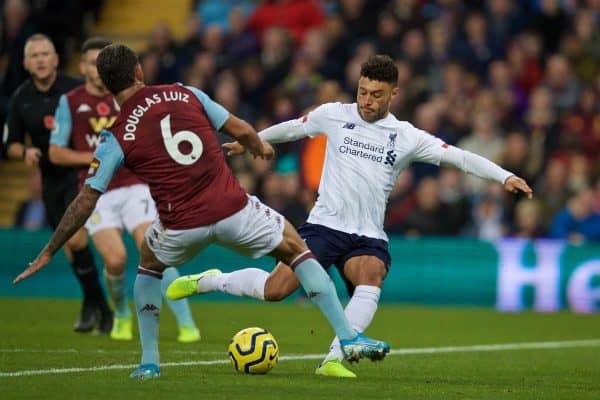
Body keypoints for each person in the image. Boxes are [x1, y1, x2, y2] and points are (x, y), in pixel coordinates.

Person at [13, 44, 390, 380]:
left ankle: (149, 362)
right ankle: (348, 335)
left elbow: (86, 199)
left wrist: (49, 249)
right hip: (234, 210)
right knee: (296, 247)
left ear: (107, 87)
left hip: (180, 227)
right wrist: (257, 146)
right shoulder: (184, 92)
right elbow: (239, 128)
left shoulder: (115, 134)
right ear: (140, 71)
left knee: (147, 266)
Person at [177, 55, 533, 378]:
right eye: (362, 91)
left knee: (371, 274)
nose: (366, 100)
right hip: (323, 227)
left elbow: (459, 157)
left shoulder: (406, 136)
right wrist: (251, 141)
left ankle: (334, 358)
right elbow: (294, 127)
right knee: (275, 290)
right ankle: (210, 280)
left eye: (376, 94)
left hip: (367, 235)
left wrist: (504, 176)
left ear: (393, 93)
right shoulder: (335, 114)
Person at [48, 37, 200, 343]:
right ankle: (121, 314)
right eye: (91, 63)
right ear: (83, 67)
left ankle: (186, 322)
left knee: (155, 250)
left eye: (101, 63)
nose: (97, 69)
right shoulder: (72, 101)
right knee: (115, 259)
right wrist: (99, 159)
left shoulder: (131, 99)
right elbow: (55, 153)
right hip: (97, 192)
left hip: (134, 186)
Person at [3, 33, 112, 333]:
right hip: (52, 178)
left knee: (75, 239)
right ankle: (97, 306)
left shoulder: (76, 89)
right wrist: (25, 151)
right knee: (69, 247)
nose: (40, 60)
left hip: (82, 176)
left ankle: (100, 308)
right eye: (34, 56)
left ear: (55, 59)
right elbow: (9, 144)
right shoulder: (21, 98)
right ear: (25, 63)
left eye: (45, 54)